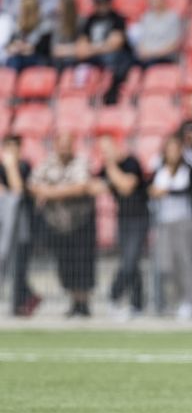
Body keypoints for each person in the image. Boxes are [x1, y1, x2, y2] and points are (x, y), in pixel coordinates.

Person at [28, 133, 96, 317]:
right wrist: (62, 191)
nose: (65, 148)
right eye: (62, 144)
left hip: (81, 222)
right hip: (57, 224)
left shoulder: (81, 161)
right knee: (65, 265)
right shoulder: (48, 163)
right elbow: (33, 185)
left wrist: (51, 192)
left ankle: (83, 303)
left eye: (68, 144)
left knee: (83, 264)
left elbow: (81, 186)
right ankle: (74, 302)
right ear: (56, 145)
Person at [95, 135, 148, 319]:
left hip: (139, 218)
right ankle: (137, 304)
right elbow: (94, 186)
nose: (104, 154)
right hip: (123, 219)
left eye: (106, 149)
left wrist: (110, 167)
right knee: (131, 262)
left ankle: (113, 295)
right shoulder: (106, 169)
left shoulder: (131, 162)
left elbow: (126, 186)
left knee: (129, 261)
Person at [148, 134, 192, 321]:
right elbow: (150, 189)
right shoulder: (159, 170)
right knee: (165, 265)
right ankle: (169, 301)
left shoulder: (188, 170)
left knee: (184, 262)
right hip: (164, 221)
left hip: (183, 221)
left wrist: (167, 192)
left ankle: (187, 302)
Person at [0, 136, 40, 317]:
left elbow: (17, 188)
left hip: (24, 226)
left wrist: (10, 167)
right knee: (9, 267)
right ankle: (26, 299)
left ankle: (22, 302)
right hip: (5, 227)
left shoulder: (24, 166)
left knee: (20, 267)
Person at [78, 0, 134, 105]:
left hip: (117, 57)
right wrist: (99, 48)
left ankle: (112, 92)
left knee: (115, 59)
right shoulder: (90, 20)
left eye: (103, 2)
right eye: (98, 2)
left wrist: (92, 48)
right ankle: (83, 98)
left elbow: (115, 44)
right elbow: (81, 48)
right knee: (74, 62)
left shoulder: (117, 19)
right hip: (97, 56)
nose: (100, 6)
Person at [134, 0, 182, 69]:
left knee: (148, 66)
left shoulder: (172, 18)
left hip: (163, 57)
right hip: (147, 56)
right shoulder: (146, 17)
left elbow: (174, 45)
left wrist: (153, 53)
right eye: (152, 0)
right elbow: (142, 40)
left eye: (157, 0)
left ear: (164, 0)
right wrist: (142, 51)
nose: (154, 2)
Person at [3, 0, 51, 72]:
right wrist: (14, 47)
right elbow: (9, 45)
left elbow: (43, 50)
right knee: (12, 60)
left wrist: (27, 48)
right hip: (19, 57)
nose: (20, 13)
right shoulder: (19, 26)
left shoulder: (45, 27)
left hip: (38, 60)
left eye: (23, 11)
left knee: (16, 61)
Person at [49, 0, 80, 70]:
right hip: (59, 61)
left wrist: (65, 50)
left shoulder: (80, 22)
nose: (57, 8)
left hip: (75, 61)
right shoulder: (57, 24)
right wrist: (71, 49)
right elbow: (54, 50)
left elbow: (81, 48)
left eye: (60, 6)